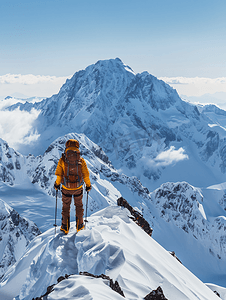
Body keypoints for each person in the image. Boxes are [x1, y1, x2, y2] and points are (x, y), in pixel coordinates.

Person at [54, 139, 91, 234]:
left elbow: (59, 175)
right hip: (78, 188)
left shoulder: (63, 160)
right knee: (79, 206)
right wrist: (88, 185)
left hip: (66, 188)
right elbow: (86, 175)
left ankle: (65, 227)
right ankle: (80, 226)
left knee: (66, 207)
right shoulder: (81, 160)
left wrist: (57, 184)